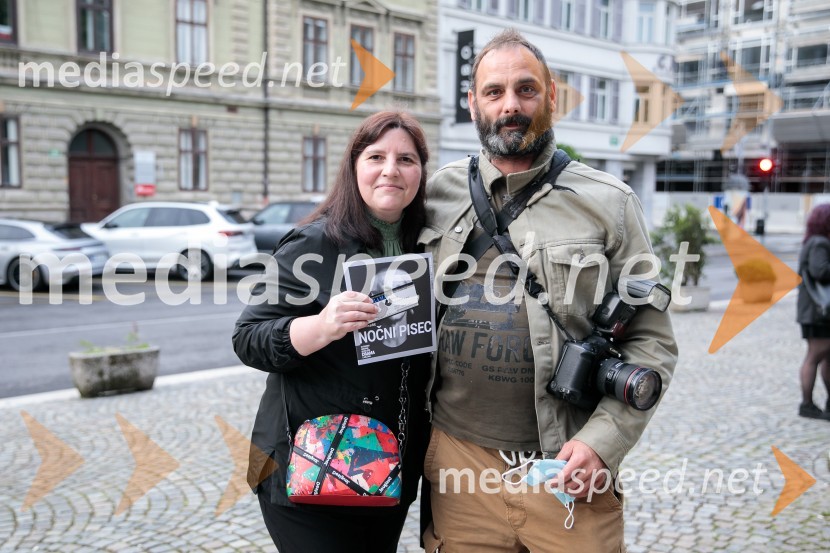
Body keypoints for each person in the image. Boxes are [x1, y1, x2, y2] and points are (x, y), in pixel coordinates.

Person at [418, 29, 678, 551]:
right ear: (472, 102)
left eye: (526, 89)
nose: (510, 105)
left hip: (566, 469)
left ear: (551, 95)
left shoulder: (610, 202)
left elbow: (652, 342)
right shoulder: (435, 193)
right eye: (494, 92)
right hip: (457, 465)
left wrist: (602, 444)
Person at [232, 111, 431, 552]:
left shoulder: (429, 247)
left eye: (406, 159)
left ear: (421, 171)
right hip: (305, 464)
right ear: (354, 166)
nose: (390, 170)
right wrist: (322, 326)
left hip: (384, 464)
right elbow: (248, 337)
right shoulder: (315, 243)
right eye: (376, 156)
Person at [796, 203, 830, 421]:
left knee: (825, 356)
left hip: (816, 310)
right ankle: (807, 404)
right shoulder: (819, 243)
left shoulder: (815, 241)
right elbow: (821, 271)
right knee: (815, 356)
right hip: (818, 312)